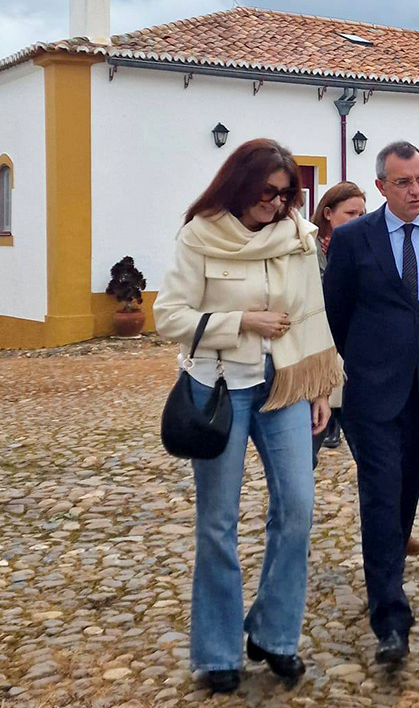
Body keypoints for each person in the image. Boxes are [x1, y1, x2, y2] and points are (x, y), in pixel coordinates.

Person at [153, 139, 342, 694]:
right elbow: (169, 315)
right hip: (219, 390)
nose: (275, 202)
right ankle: (217, 651)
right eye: (267, 191)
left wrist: (320, 386)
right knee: (218, 522)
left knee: (298, 510)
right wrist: (241, 322)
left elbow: (311, 314)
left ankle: (274, 633)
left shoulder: (297, 237)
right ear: (238, 184)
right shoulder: (200, 235)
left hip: (284, 386)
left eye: (285, 194)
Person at [323, 140, 419, 665]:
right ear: (381, 186)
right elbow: (336, 313)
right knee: (381, 494)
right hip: (371, 391)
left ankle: (390, 565)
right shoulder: (354, 239)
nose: (415, 190)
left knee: (406, 489)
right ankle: (389, 616)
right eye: (403, 182)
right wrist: (355, 370)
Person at [310, 181, 366, 458]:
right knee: (303, 457)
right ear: (328, 213)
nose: (358, 220)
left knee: (367, 452)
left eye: (362, 214)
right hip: (313, 355)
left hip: (350, 354)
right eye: (350, 213)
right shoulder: (307, 250)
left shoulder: (366, 249)